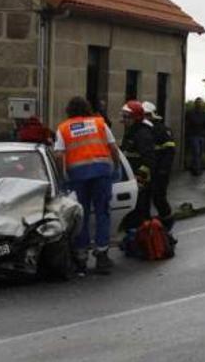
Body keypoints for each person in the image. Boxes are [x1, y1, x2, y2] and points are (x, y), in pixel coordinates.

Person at [55, 96, 121, 275]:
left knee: (80, 216)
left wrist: (62, 178)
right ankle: (102, 256)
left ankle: (81, 258)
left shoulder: (63, 128)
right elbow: (113, 148)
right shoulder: (99, 123)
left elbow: (59, 155)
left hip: (77, 176)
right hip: (101, 173)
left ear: (69, 110)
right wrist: (116, 167)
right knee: (102, 213)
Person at [119, 100, 156, 231]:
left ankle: (143, 241)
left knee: (140, 213)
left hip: (139, 181)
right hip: (132, 178)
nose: (123, 119)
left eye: (126, 117)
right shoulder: (131, 131)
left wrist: (140, 179)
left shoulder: (142, 134)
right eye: (123, 116)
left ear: (135, 117)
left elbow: (149, 160)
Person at [146, 101, 176, 231]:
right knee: (148, 198)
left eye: (146, 115)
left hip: (160, 171)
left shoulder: (161, 130)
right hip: (149, 170)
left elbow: (170, 151)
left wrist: (163, 169)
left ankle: (167, 220)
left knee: (159, 197)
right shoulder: (144, 129)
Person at [185, 97, 205, 176]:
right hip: (194, 135)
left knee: (200, 153)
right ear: (195, 103)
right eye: (198, 102)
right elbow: (192, 122)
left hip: (202, 135)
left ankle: (195, 167)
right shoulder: (190, 112)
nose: (199, 104)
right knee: (196, 152)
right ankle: (197, 170)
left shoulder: (204, 113)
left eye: (201, 102)